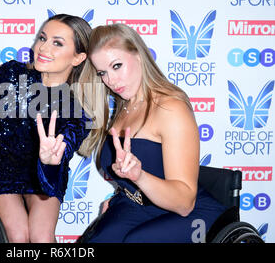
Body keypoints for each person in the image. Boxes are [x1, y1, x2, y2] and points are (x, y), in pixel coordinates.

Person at [81, 23, 226, 242]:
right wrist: (121, 194)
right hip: (137, 207)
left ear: (139, 55)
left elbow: (185, 203)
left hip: (189, 214)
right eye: (103, 72)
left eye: (117, 66)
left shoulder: (171, 108)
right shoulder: (123, 108)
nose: (111, 80)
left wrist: (138, 176)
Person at [0, 14, 94, 242]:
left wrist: (51, 158)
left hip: (45, 178)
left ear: (78, 57)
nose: (43, 47)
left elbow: (63, 152)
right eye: (43, 38)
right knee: (18, 236)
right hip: (1, 172)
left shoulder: (75, 108)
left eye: (57, 43)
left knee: (42, 237)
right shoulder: (10, 73)